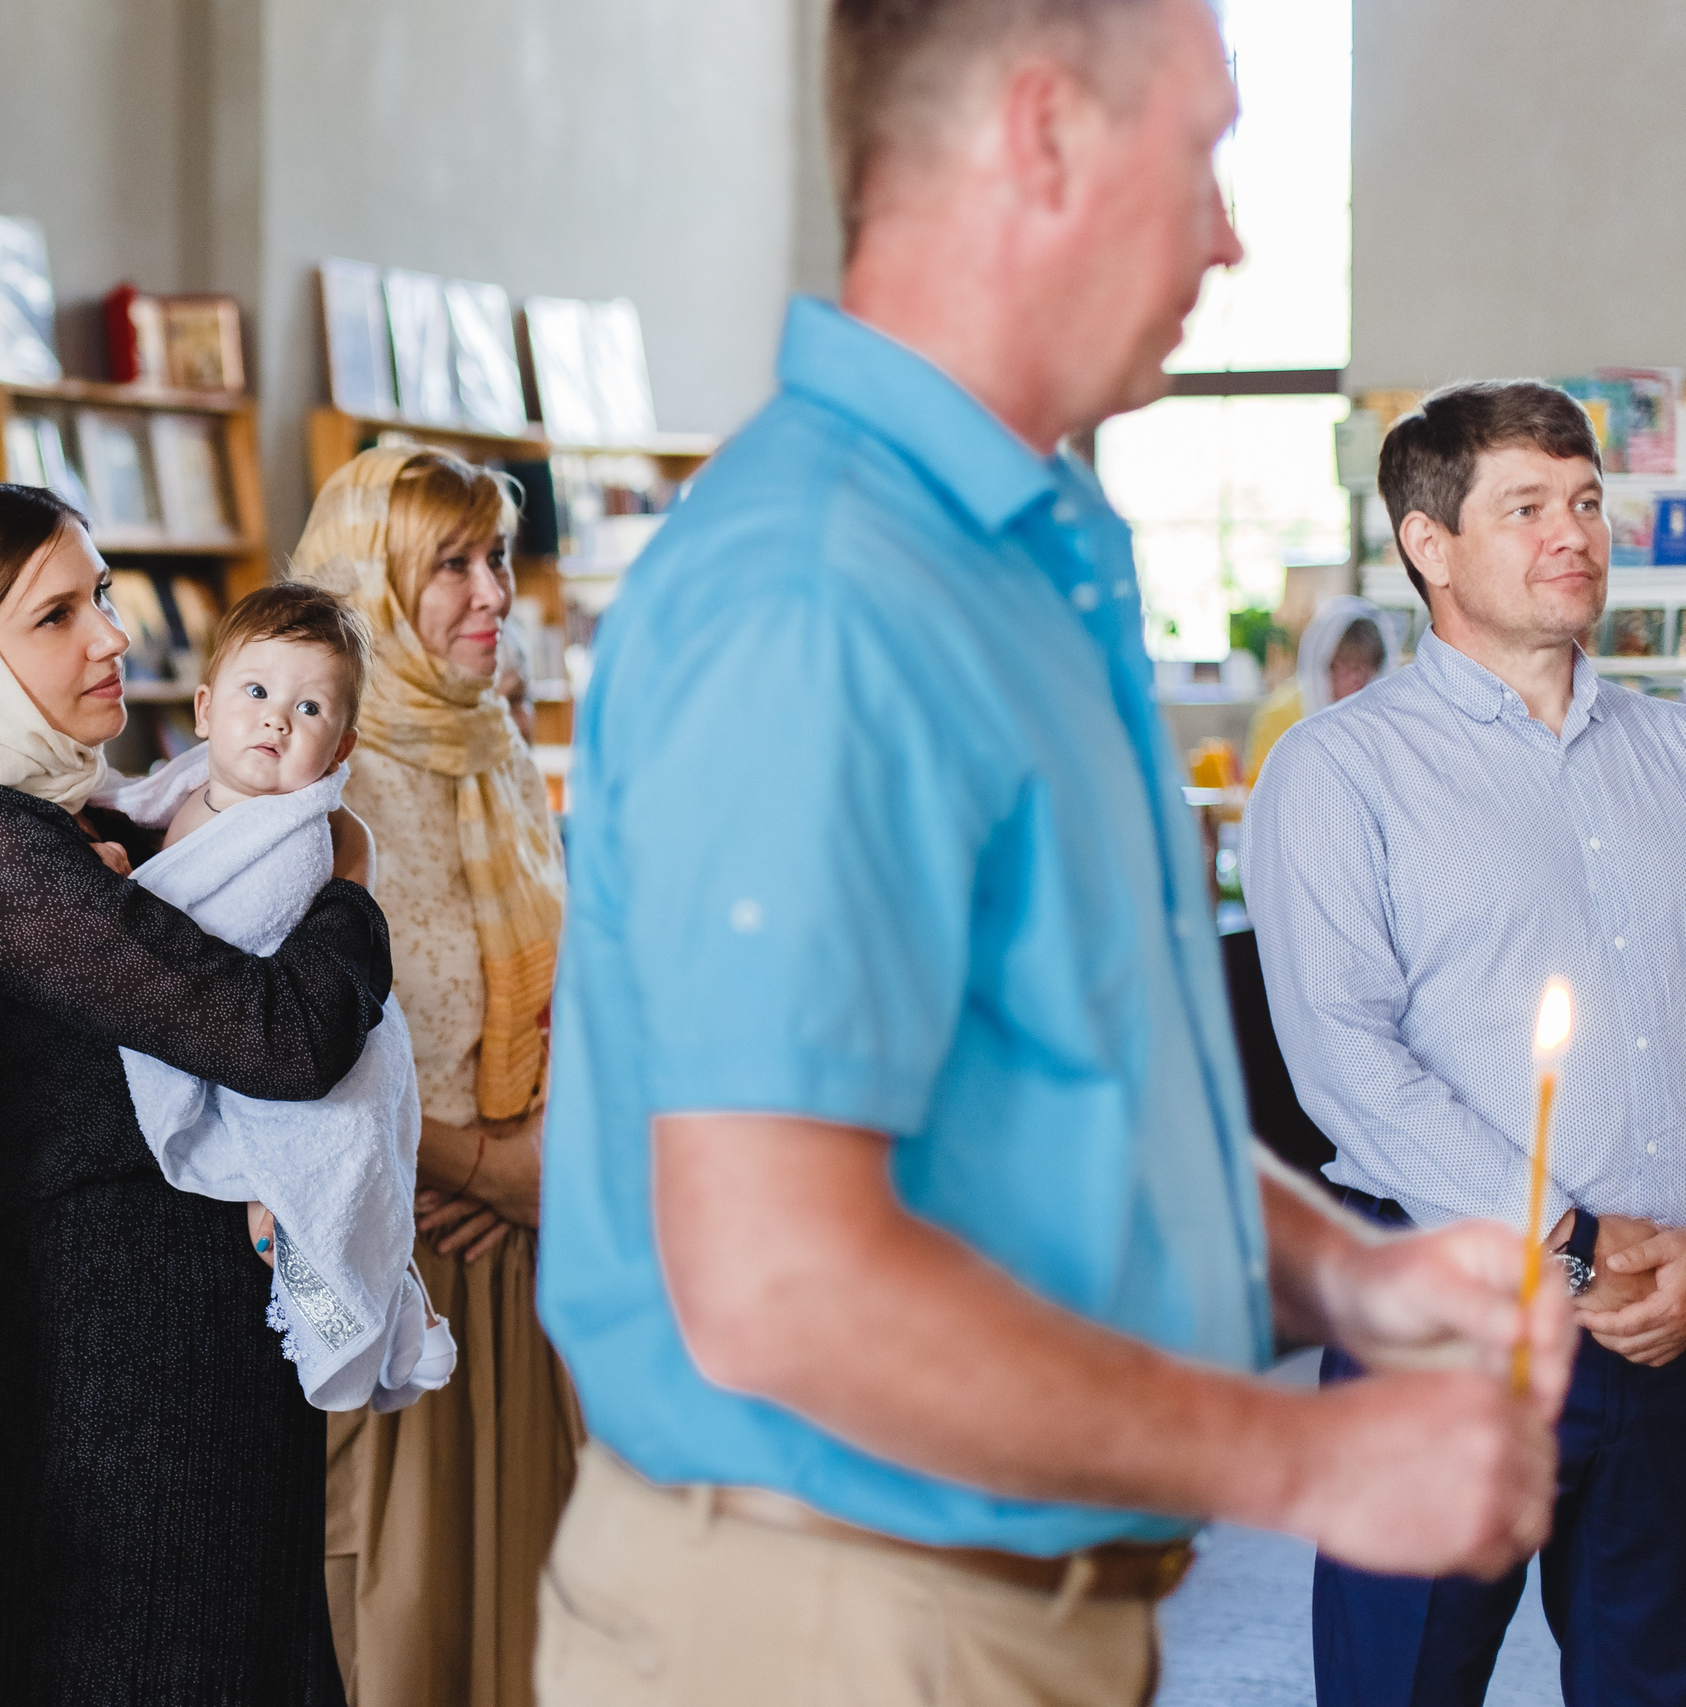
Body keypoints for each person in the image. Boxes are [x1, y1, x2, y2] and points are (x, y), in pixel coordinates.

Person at [533, 3, 1577, 1703]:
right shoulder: (823, 587)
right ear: (1043, 132)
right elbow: (781, 1283)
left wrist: (1354, 1277)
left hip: (994, 1598)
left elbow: (1086, 1085)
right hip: (831, 1621)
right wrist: (1305, 1462)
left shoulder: (1019, 550)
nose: (1232, 232)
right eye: (1208, 150)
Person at [0, 481, 392, 1703]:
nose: (112, 636)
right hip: (123, 1350)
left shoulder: (62, 822)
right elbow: (283, 1035)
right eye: (57, 615)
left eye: (105, 594)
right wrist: (348, 880)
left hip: (174, 1320)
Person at [1245, 380, 1686, 1706]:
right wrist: (1570, 1233)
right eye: (1530, 506)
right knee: (1401, 1685)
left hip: (1662, 1327)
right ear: (1430, 544)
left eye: (1590, 502)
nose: (1578, 534)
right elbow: (1346, 1061)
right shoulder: (1338, 772)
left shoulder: (1669, 751)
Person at [286, 447, 579, 1707]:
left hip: (520, 1249)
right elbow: (293, 1060)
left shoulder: (497, 748)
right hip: (397, 1255)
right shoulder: (317, 780)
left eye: (497, 558)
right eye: (448, 566)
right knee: (403, 1627)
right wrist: (485, 1167)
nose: (492, 593)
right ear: (369, 587)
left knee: (530, 1617)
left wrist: (542, 1162)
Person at [105, 582, 457, 1415]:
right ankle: (395, 1303)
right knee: (335, 1206)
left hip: (308, 1073)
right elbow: (144, 831)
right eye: (257, 693)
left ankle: (357, 1324)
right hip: (241, 1032)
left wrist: (129, 891)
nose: (275, 720)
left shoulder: (296, 839)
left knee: (299, 1207)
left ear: (339, 752)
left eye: (309, 709)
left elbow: (236, 951)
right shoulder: (188, 790)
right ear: (203, 708)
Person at [1243, 594, 1404, 780]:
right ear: (1324, 664)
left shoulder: (1382, 725)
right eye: (1348, 665)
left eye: (1368, 668)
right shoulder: (1280, 716)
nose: (1357, 679)